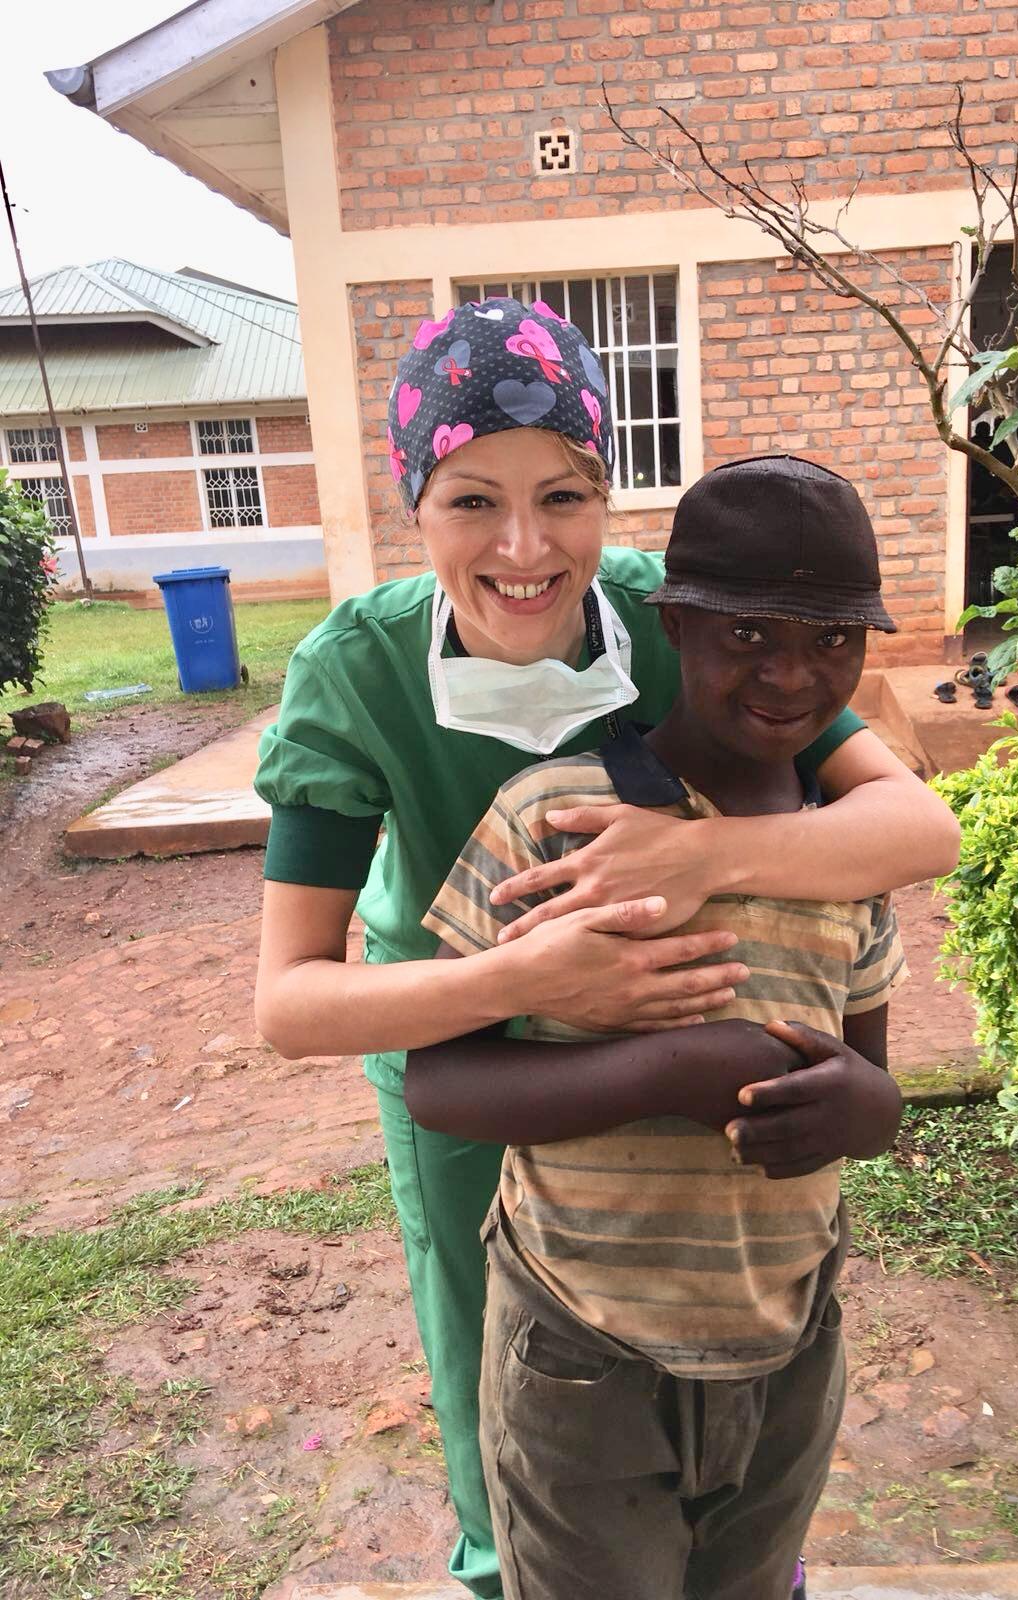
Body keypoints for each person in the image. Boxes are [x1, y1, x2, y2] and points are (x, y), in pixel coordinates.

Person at [253, 299, 959, 1600]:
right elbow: (292, 1001)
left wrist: (702, 857)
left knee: (702, 1371)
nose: (525, 548)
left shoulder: (686, 618)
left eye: (564, 497)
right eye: (473, 500)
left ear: (607, 499)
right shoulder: (356, 670)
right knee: (501, 1366)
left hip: (694, 1111)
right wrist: (529, 978)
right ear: (416, 504)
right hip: (445, 1011)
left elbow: (917, 826)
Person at [408, 454, 906, 1600]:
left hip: (786, 1341)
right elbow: (439, 1081)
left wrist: (865, 1109)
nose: (793, 673)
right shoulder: (555, 820)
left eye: (833, 639)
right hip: (582, 1351)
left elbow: (872, 1090)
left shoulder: (850, 853)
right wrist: (670, 1070)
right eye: (750, 634)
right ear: (676, 624)